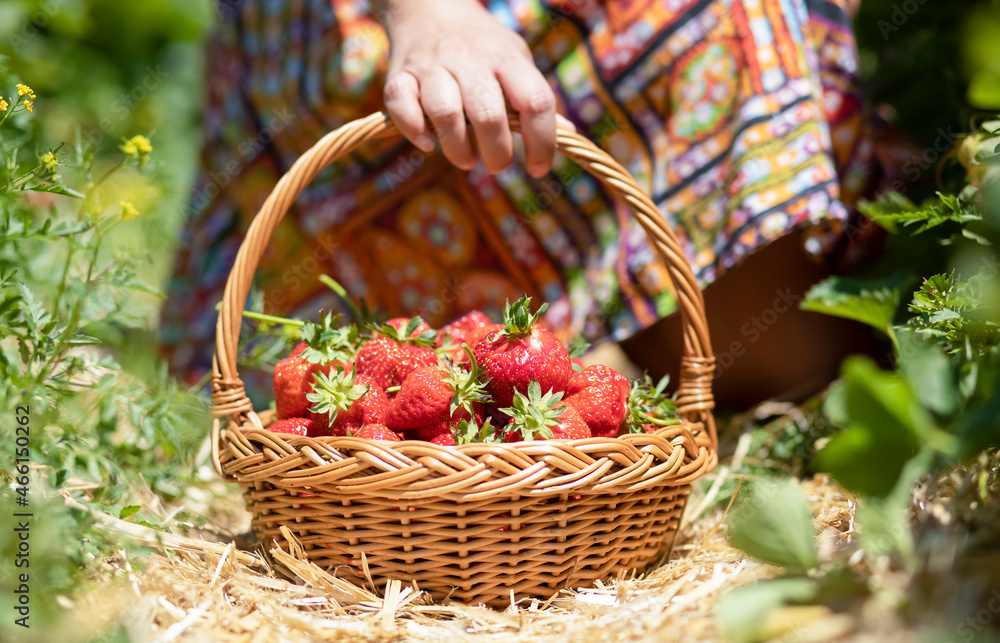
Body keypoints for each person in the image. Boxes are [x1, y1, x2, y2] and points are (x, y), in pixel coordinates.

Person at [163, 0, 891, 409]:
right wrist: (430, 16)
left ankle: (625, 357)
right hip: (359, 22)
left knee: (785, 368)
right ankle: (461, 402)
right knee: (341, 397)